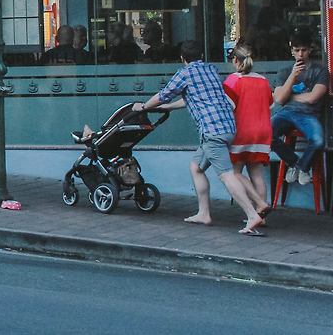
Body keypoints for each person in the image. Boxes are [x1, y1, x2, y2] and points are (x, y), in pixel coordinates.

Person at [132, 41, 265, 235]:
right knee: (196, 167)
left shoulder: (185, 74)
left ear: (182, 58)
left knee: (226, 174)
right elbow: (193, 98)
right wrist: (167, 108)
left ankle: (252, 215)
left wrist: (143, 107)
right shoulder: (211, 70)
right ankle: (204, 213)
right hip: (227, 127)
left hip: (212, 131)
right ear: (201, 55)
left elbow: (163, 95)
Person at [270, 27, 328, 186]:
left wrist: (290, 97)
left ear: (310, 50)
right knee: (266, 134)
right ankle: (296, 164)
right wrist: (293, 76)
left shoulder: (320, 71)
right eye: (297, 50)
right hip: (287, 113)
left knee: (318, 140)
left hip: (309, 114)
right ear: (292, 51)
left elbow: (313, 98)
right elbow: (280, 99)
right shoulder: (285, 72)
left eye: (304, 50)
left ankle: (302, 167)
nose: (301, 54)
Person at [222, 41, 273, 217]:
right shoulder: (263, 81)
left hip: (242, 131)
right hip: (263, 131)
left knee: (235, 173)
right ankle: (261, 216)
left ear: (235, 60)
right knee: (256, 172)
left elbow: (227, 107)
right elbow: (270, 103)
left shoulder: (233, 80)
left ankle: (259, 204)